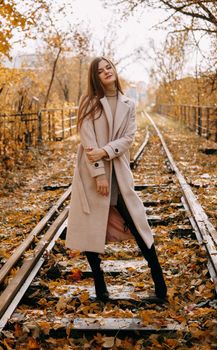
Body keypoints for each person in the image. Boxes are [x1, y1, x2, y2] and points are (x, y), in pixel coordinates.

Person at [65, 56, 167, 302]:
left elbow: (129, 138)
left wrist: (106, 150)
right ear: (95, 77)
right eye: (100, 71)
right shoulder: (88, 103)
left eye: (108, 67)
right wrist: (99, 170)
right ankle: (100, 287)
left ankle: (160, 286)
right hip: (92, 174)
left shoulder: (128, 103)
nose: (106, 72)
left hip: (119, 174)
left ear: (114, 70)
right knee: (91, 230)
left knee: (138, 225)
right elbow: (87, 140)